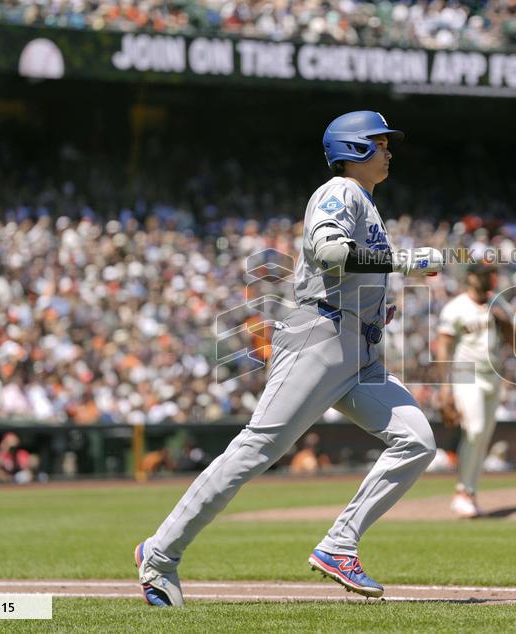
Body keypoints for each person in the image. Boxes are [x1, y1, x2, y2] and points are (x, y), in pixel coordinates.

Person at [133, 111, 445, 606]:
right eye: (381, 143)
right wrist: (403, 262)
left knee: (417, 441)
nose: (389, 151)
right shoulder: (338, 192)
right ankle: (160, 554)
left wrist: (376, 301)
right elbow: (328, 252)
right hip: (319, 337)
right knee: (257, 449)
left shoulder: (364, 201)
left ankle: (339, 544)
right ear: (356, 149)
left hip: (357, 350)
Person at [435, 261, 516, 518]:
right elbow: (443, 346)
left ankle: (469, 492)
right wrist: (444, 388)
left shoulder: (500, 304)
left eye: (492, 274)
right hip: (466, 371)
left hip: (493, 374)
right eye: (484, 274)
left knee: (483, 435)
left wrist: (506, 322)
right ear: (471, 277)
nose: (489, 278)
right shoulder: (456, 307)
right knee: (473, 429)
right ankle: (462, 492)